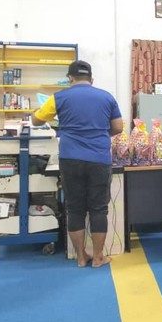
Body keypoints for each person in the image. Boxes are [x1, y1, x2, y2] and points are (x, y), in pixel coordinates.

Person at [32, 60, 123, 268]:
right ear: (92, 79)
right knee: (99, 209)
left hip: (70, 157)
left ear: (70, 78)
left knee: (74, 208)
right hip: (99, 158)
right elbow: (118, 127)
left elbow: (36, 121)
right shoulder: (107, 97)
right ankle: (98, 257)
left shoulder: (59, 97)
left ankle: (81, 257)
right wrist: (100, 135)